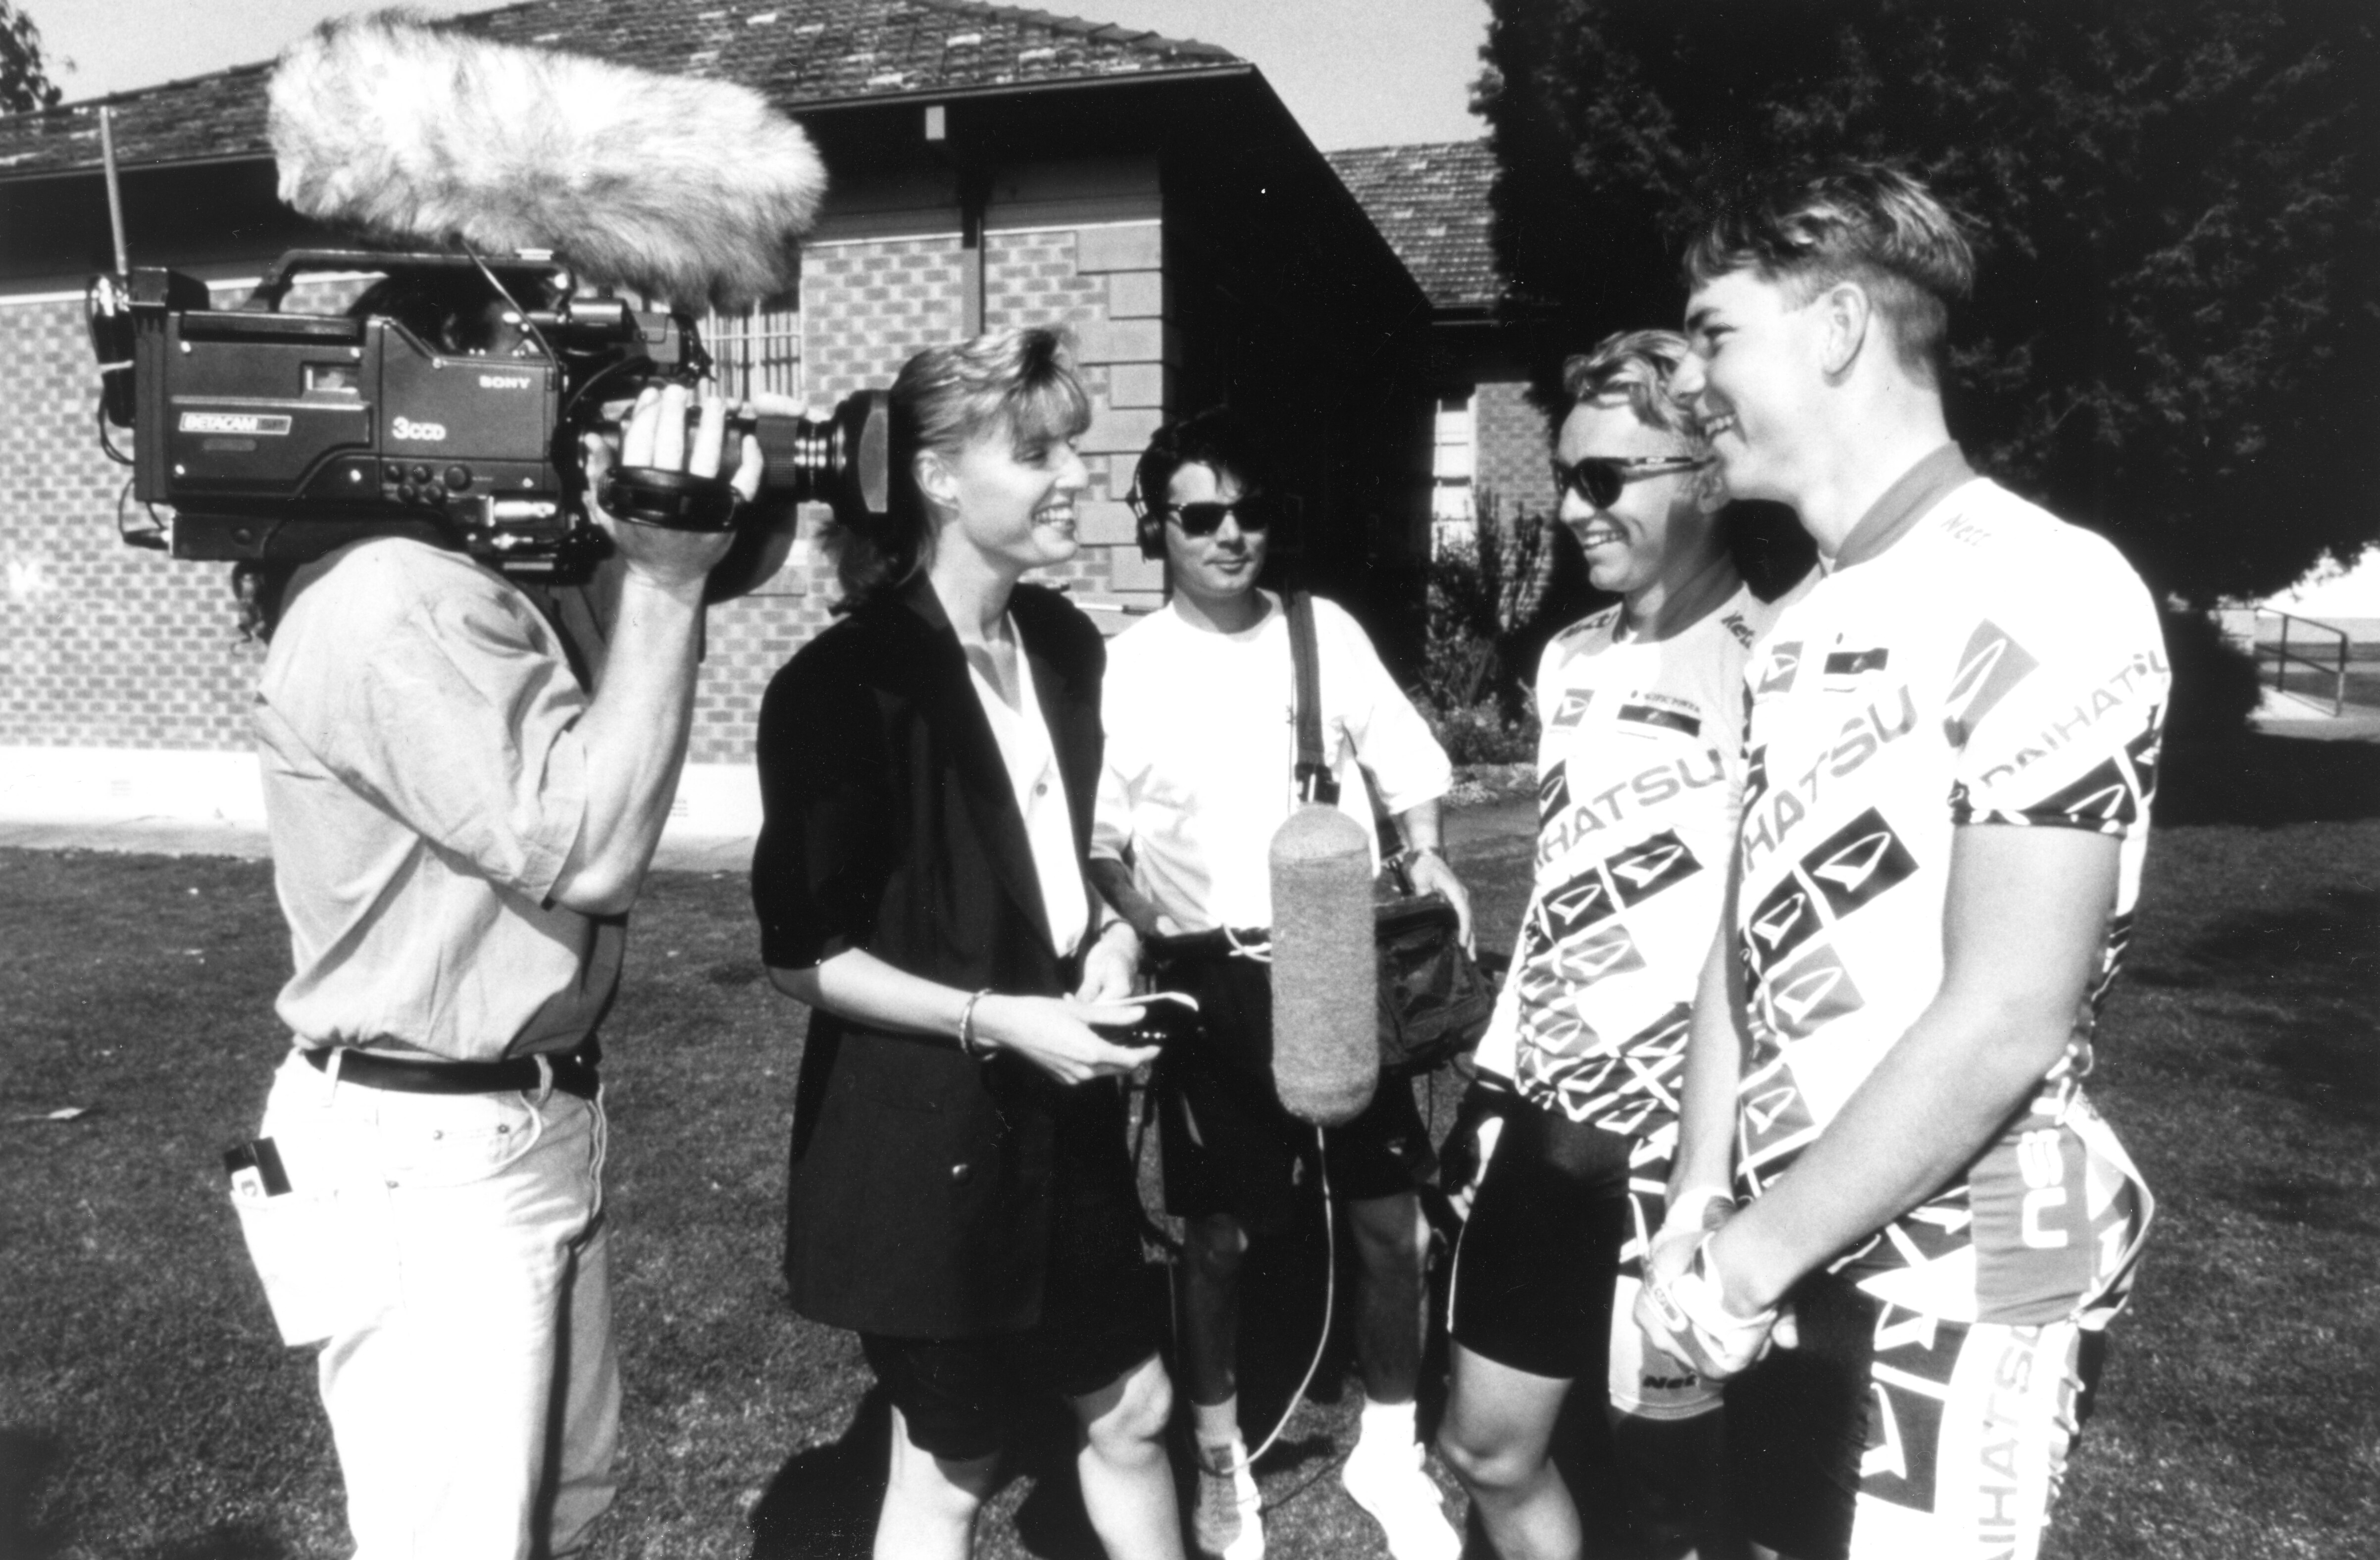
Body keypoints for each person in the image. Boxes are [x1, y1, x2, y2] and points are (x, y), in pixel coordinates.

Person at [1643, 160, 2166, 1560]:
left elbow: (2010, 1011)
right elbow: (1741, 946)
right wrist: (1704, 1192)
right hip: (1788, 1254)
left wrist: (1746, 1263)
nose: (1689, 380)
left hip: (1979, 1259)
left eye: (1712, 332)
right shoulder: (1804, 618)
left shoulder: (2044, 583)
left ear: (1834, 330)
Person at [234, 276, 762, 1557]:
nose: (590, 417)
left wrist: (697, 517)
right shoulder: (401, 598)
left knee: (545, 1517)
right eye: (560, 384)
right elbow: (589, 849)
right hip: (431, 1151)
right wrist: (665, 578)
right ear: (431, 402)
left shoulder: (486, 573)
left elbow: (694, 582)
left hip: (506, 1122)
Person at [752, 327, 1182, 1560]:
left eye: (1074, 451)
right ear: (939, 479)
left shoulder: (1061, 646)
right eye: (1037, 453)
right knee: (955, 1464)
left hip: (1065, 1125)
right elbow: (804, 956)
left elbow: (1060, 864)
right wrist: (1001, 1017)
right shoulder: (843, 685)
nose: (1078, 481)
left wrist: (1108, 941)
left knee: (1134, 1410)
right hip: (926, 1149)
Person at [1436, 330, 1804, 1560]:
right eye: (1563, 477)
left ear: (1705, 472)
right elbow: (1557, 890)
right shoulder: (1570, 660)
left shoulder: (1784, 658)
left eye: (1604, 480)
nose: (1571, 510)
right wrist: (1491, 1082)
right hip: (1549, 1122)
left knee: (1676, 1509)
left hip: (1685, 1150)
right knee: (1486, 1448)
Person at [1091, 407, 1471, 1560]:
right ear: (1158, 524)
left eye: (1250, 512)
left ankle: (1389, 1444)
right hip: (1210, 971)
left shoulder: (1322, 634)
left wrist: (1427, 846)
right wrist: (1129, 928)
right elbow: (1101, 840)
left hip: (1338, 956)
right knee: (1218, 1238)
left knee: (1387, 1223)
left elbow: (1406, 767)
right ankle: (1217, 1463)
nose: (1230, 534)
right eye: (1202, 515)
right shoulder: (1123, 669)